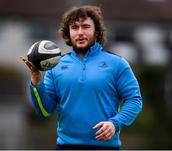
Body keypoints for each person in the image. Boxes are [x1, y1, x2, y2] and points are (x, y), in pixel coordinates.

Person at [20, 5, 143, 150]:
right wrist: (36, 81)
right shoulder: (56, 67)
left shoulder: (117, 64)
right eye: (74, 27)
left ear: (96, 31)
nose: (80, 32)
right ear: (68, 32)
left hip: (105, 147)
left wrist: (115, 123)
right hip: (66, 147)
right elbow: (45, 110)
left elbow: (134, 100)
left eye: (85, 26)